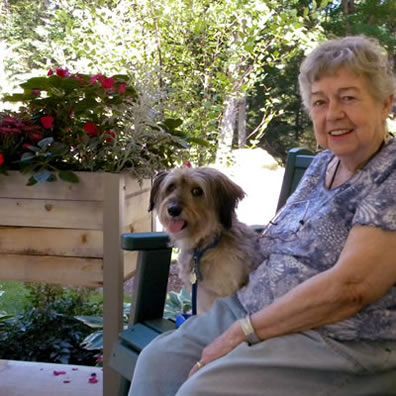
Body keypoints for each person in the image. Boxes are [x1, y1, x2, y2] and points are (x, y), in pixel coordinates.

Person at [128, 35, 396, 396]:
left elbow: (352, 288)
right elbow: (279, 239)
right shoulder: (322, 165)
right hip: (253, 309)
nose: (333, 113)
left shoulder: (389, 175)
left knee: (204, 390)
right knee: (158, 361)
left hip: (335, 336)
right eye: (320, 102)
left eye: (348, 97)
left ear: (386, 104)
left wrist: (245, 332)